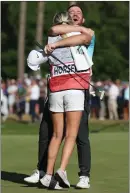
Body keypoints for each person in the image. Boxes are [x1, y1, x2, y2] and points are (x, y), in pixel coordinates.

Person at [24, 4, 95, 189]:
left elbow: (55, 30)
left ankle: (47, 175)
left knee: (57, 134)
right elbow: (84, 34)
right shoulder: (82, 36)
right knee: (70, 135)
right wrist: (79, 28)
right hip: (74, 89)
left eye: (78, 14)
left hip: (55, 90)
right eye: (72, 15)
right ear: (69, 20)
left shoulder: (51, 37)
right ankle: (61, 171)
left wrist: (54, 44)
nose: (75, 16)